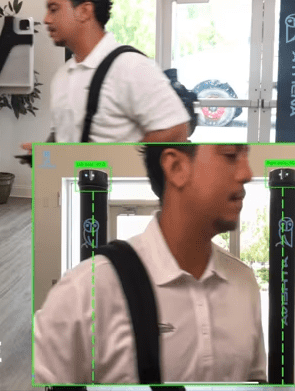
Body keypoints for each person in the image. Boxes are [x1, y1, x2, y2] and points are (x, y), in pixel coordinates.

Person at [33, 144, 266, 384]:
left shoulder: (244, 282)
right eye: (229, 155)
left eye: (245, 155)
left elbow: (256, 380)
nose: (247, 173)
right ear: (177, 168)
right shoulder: (82, 294)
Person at [22, 0, 189, 152]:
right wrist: (46, 152)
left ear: (84, 11)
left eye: (54, 9)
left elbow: (176, 130)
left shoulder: (131, 67)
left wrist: (119, 166)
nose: (46, 19)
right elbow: (66, 137)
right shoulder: (63, 75)